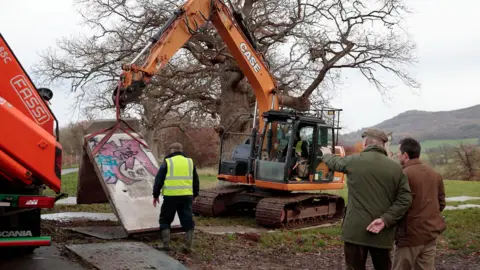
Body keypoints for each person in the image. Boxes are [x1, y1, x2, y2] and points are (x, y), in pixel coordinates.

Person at [319, 128, 412, 270]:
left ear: (366, 143)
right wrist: (385, 219)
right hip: (382, 232)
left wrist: (326, 155)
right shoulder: (396, 168)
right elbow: (405, 199)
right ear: (383, 145)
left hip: (355, 231)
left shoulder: (354, 161)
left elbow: (335, 163)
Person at [393, 137, 446, 269]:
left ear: (405, 155)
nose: (396, 155)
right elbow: (441, 204)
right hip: (430, 234)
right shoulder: (435, 174)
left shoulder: (402, 174)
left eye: (398, 152)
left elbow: (396, 205)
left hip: (409, 236)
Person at [152, 142, 199, 252]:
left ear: (171, 150)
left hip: (170, 197)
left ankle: (166, 245)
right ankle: (188, 247)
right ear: (181, 150)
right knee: (187, 220)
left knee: (165, 219)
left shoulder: (167, 162)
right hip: (186, 196)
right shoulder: (190, 162)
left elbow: (159, 180)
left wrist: (155, 195)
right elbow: (196, 180)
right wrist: (195, 194)